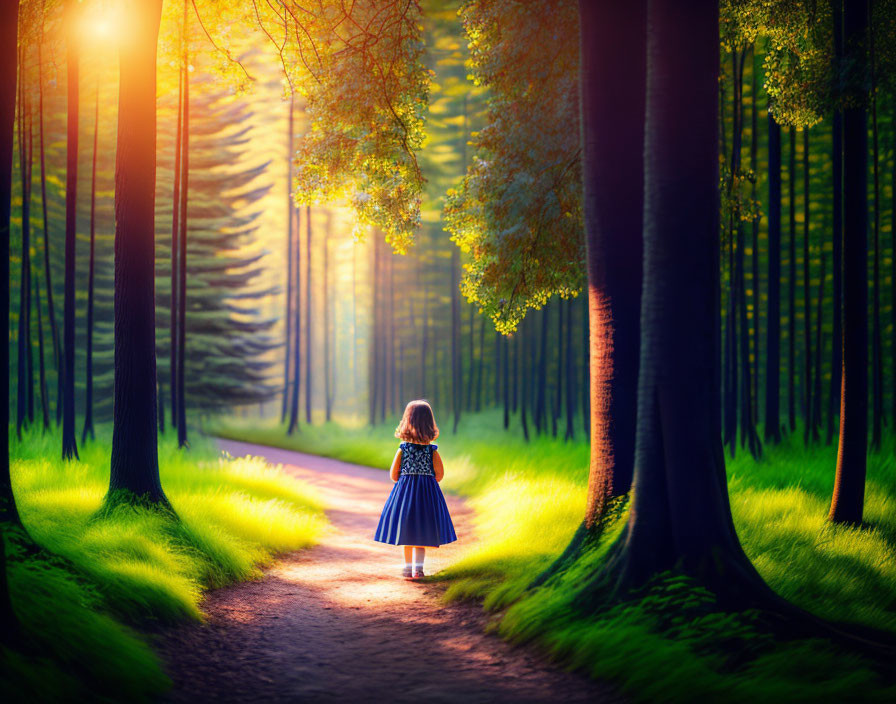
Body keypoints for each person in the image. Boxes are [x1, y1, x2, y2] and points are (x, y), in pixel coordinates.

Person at [374, 400, 457, 579]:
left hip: (405, 494)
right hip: (427, 494)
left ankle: (407, 568)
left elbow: (393, 476)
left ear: (407, 421)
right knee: (421, 533)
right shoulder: (432, 451)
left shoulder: (403, 449)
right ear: (429, 424)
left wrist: (407, 477)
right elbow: (440, 474)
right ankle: (418, 570)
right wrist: (426, 480)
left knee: (407, 531)